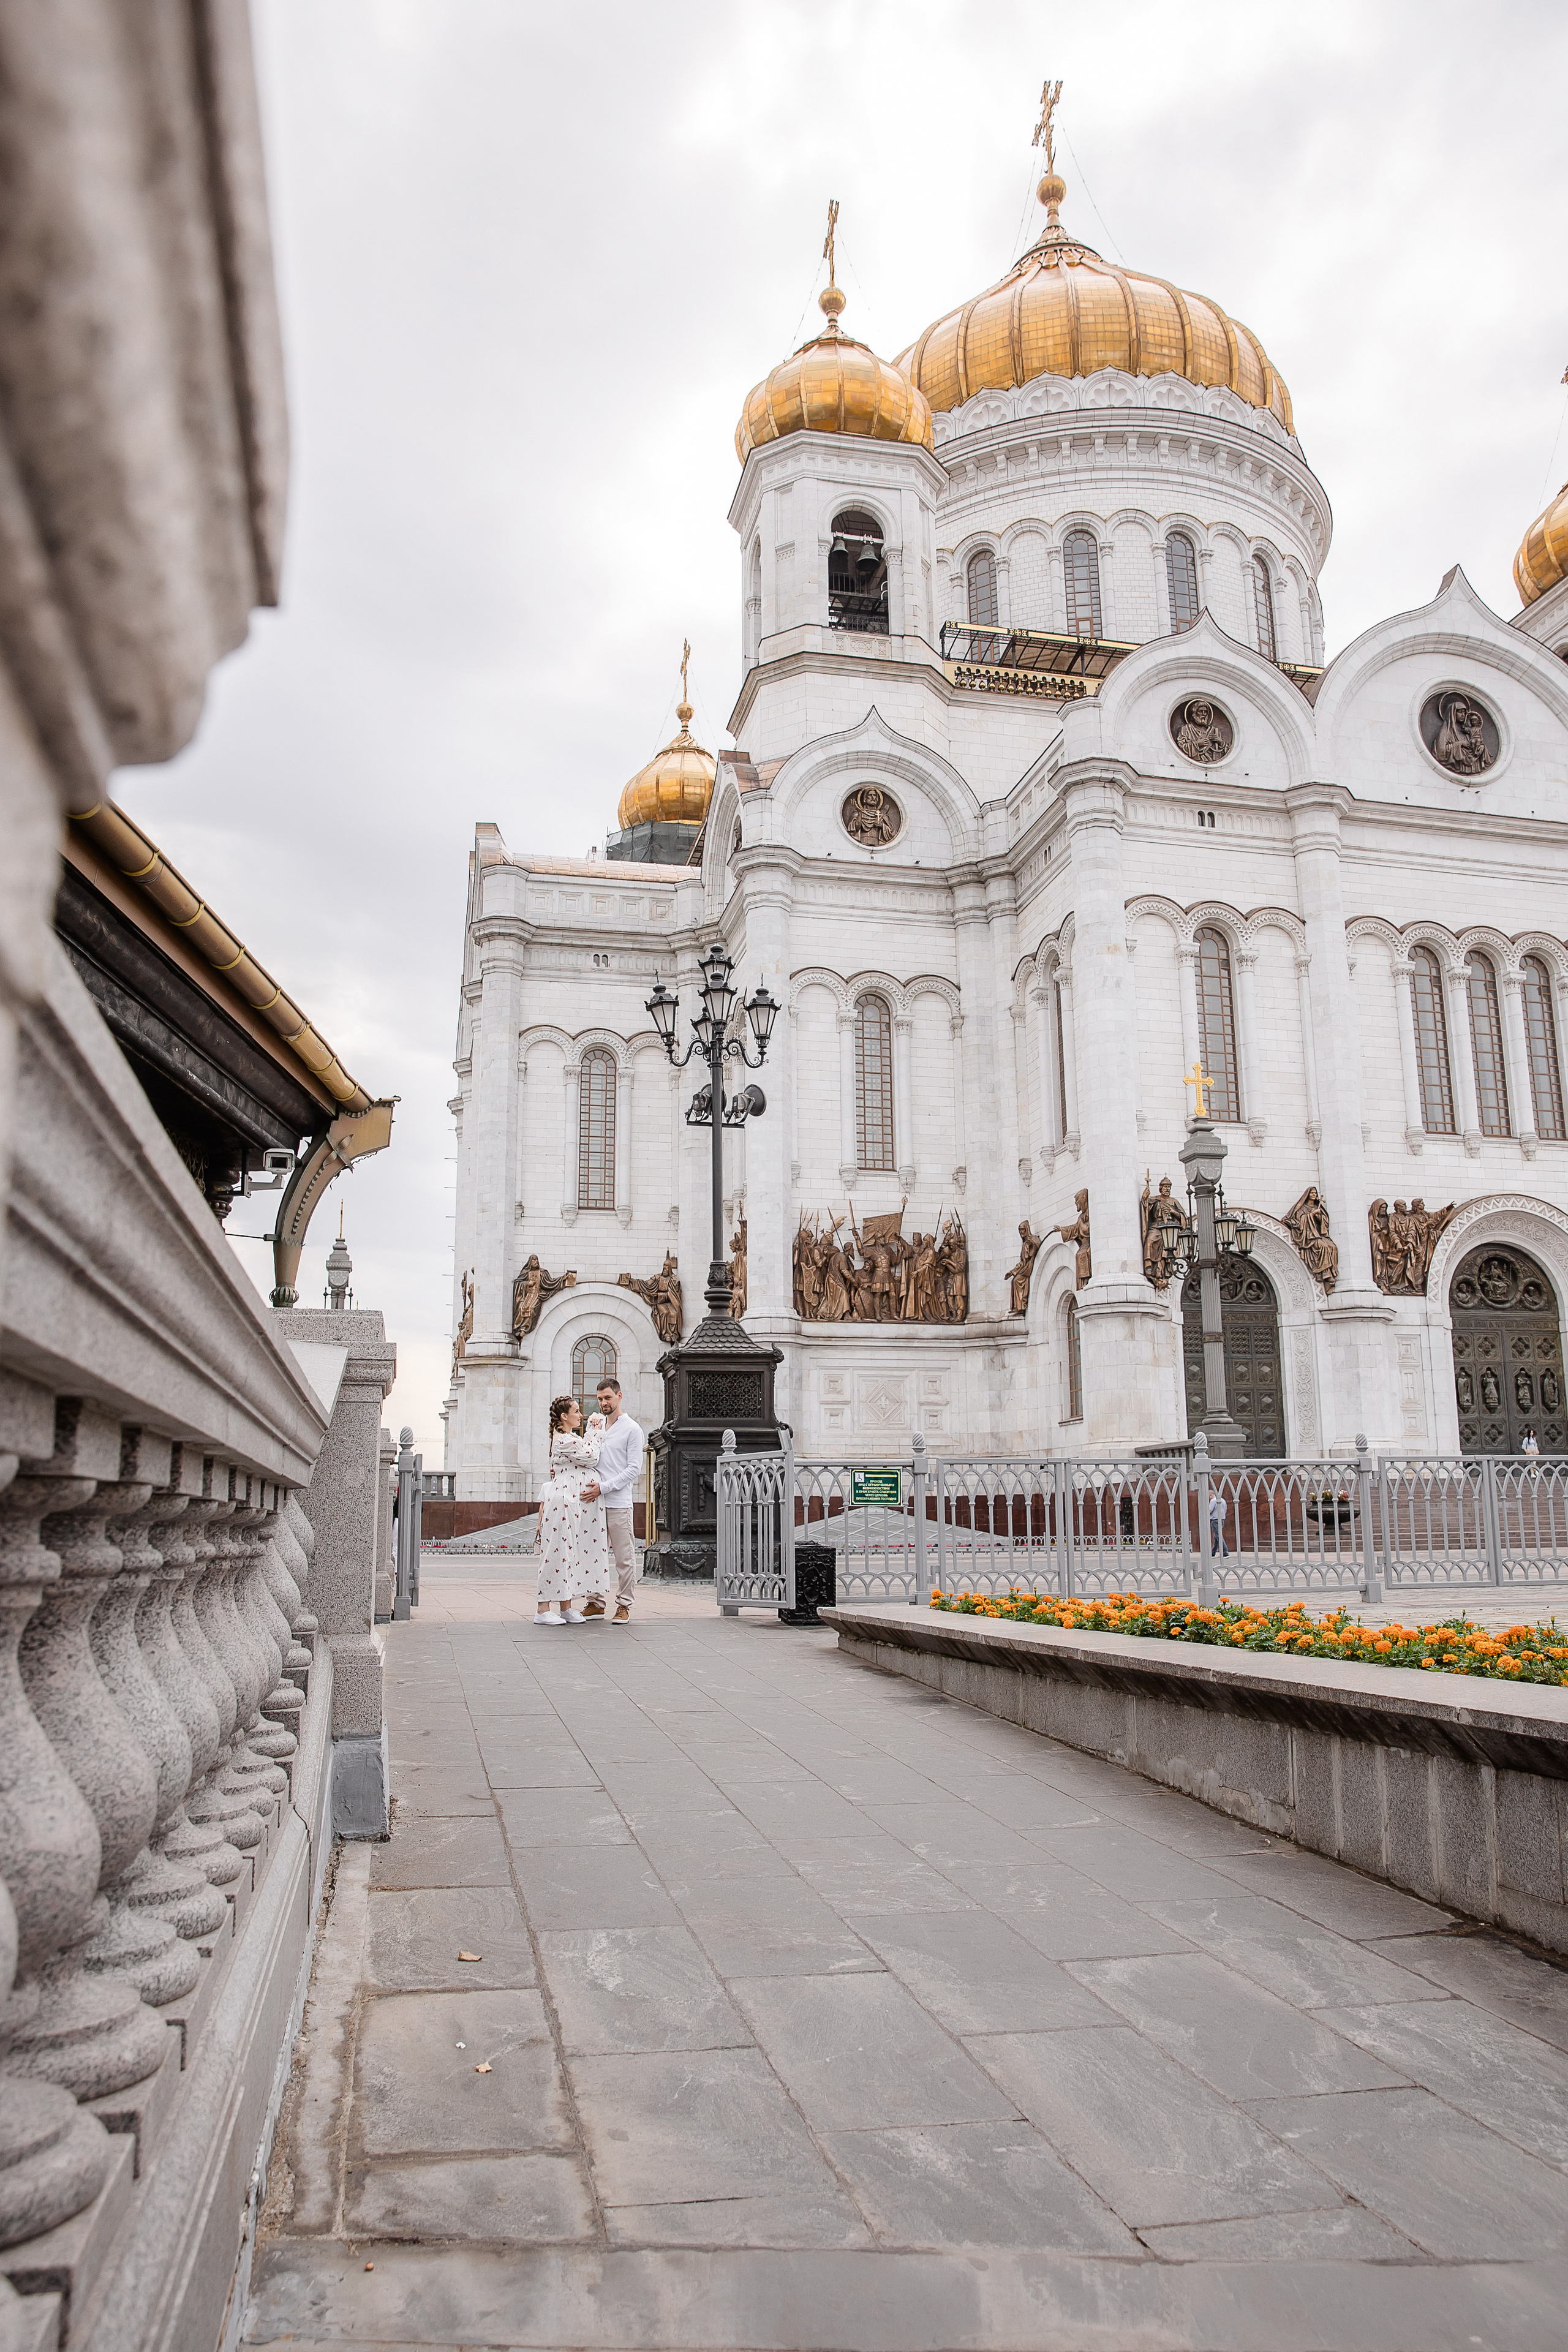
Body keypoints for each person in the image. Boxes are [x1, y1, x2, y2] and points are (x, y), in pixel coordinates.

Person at [533, 1395, 611, 1626]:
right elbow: (591, 1456)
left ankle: (566, 1606)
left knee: (570, 1552)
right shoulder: (564, 1440)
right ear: (565, 1417)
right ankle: (543, 1608)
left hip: (573, 1501)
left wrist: (589, 1435)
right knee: (557, 1552)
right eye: (576, 1412)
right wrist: (595, 1433)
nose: (581, 1415)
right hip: (564, 1501)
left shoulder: (569, 1437)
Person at [589, 1376, 644, 1623]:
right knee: (593, 1554)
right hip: (595, 1502)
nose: (603, 1403)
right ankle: (595, 1602)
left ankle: (624, 1605)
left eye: (608, 1398)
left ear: (619, 1397)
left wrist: (604, 1487)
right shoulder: (597, 1427)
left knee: (624, 1557)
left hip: (618, 1503)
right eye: (600, 1399)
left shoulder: (632, 1429)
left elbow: (633, 1470)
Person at [1208, 1485, 1229, 1559]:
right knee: (1216, 1537)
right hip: (1222, 1519)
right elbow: (1225, 1511)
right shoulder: (1222, 1500)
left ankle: (1225, 1552)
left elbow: (1210, 1510)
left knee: (1218, 1536)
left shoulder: (1213, 1501)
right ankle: (1213, 1553)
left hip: (1215, 1520)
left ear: (1211, 1495)